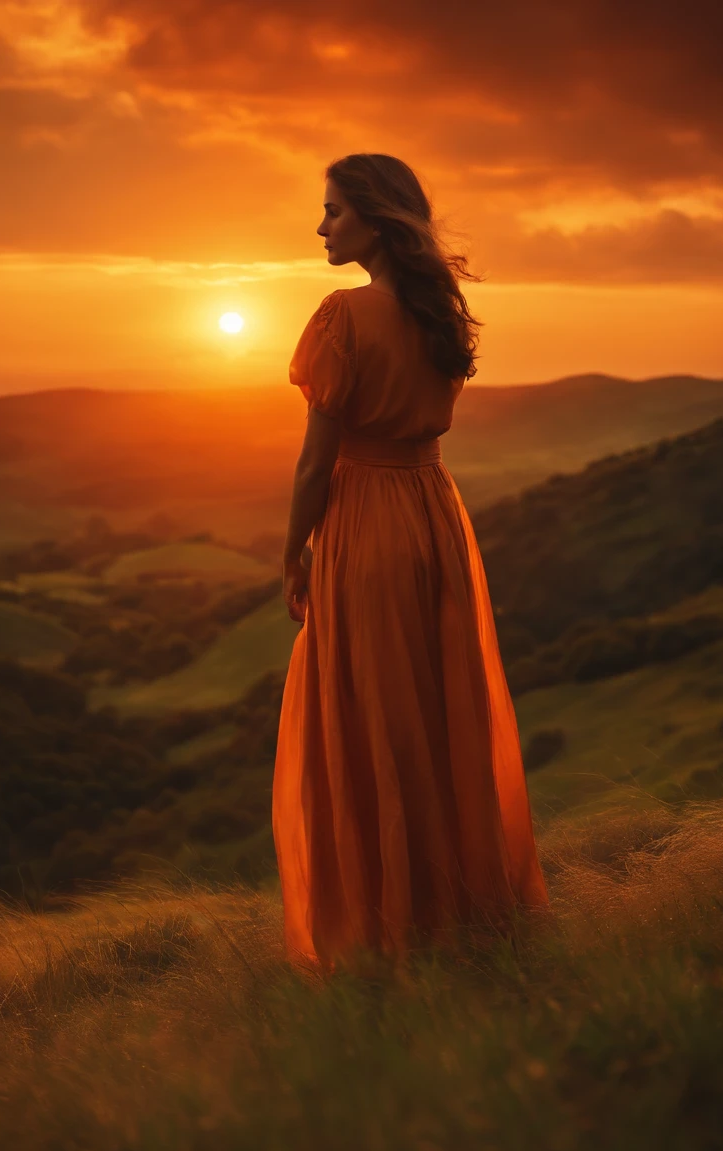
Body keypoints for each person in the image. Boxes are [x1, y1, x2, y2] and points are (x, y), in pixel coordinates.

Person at [271, 153, 550, 976]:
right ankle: (457, 913)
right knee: (436, 711)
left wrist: (293, 551)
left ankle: (387, 928)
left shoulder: (341, 317)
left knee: (370, 717)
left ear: (375, 219)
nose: (320, 227)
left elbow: (315, 465)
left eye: (331, 211)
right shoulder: (439, 311)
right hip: (434, 515)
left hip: (365, 520)